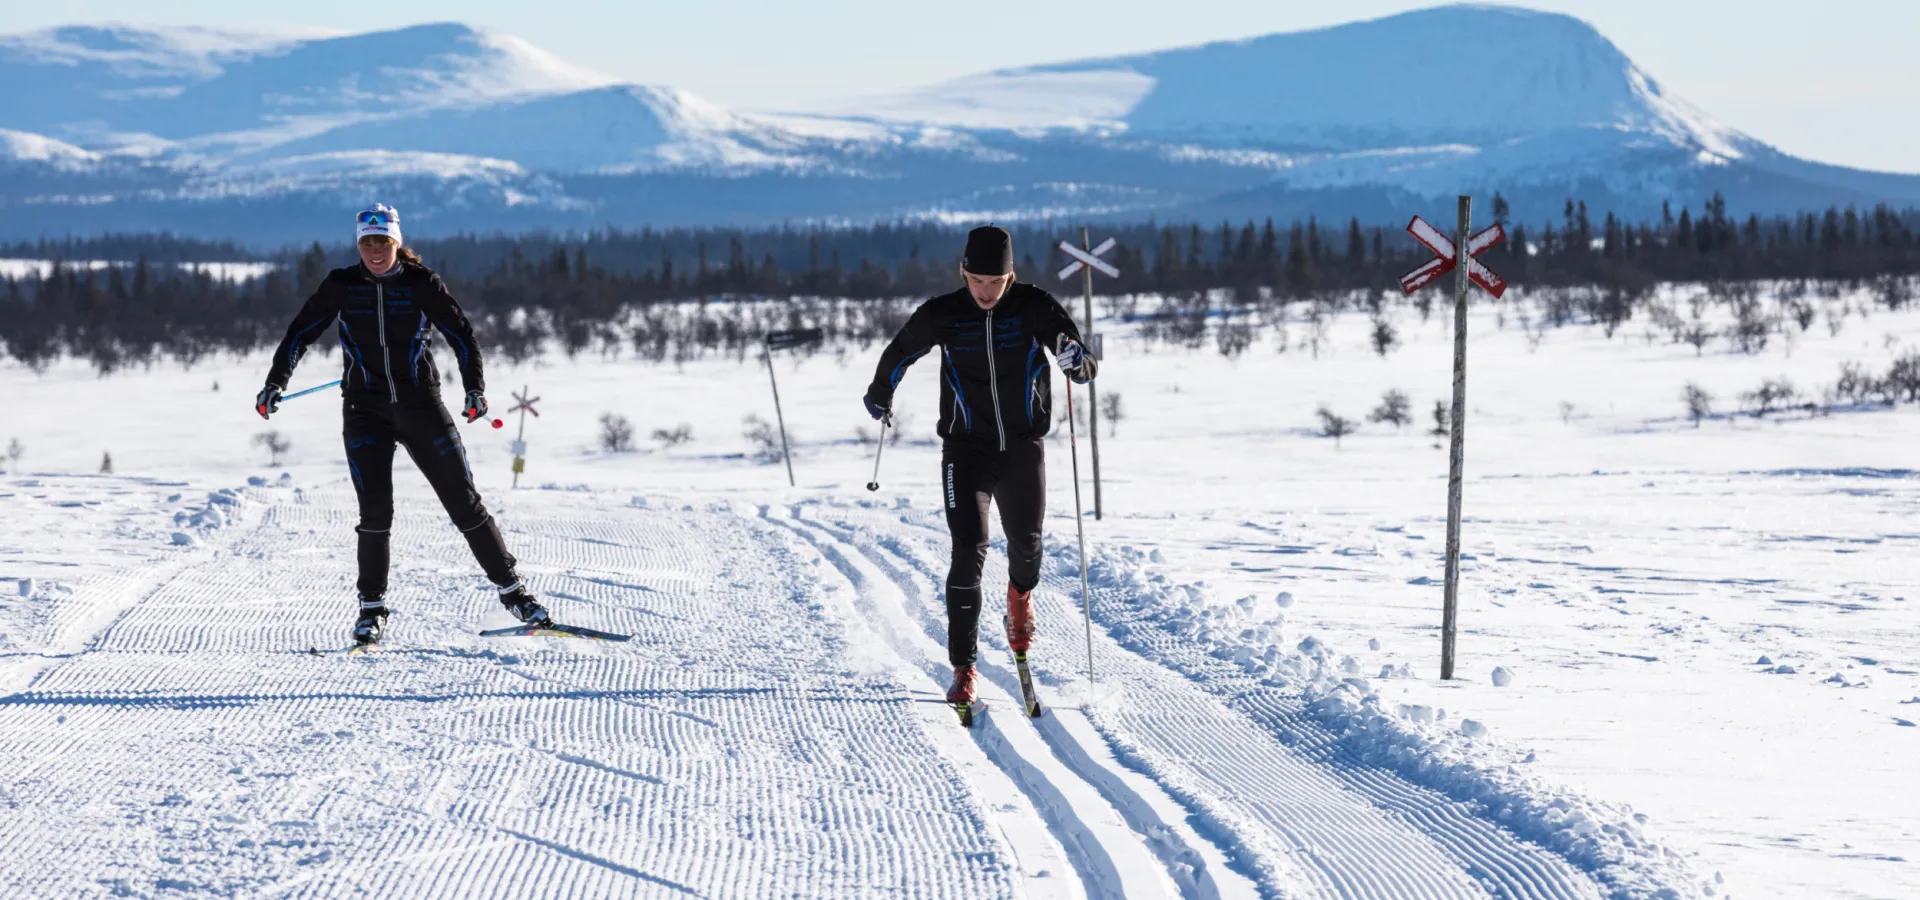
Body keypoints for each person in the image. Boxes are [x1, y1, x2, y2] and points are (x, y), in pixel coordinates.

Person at [255, 203, 549, 646]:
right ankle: (371, 611)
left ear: (396, 242)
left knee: (463, 503)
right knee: (375, 515)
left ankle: (515, 594)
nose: (375, 250)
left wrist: (474, 389)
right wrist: (275, 383)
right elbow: (300, 332)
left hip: (421, 406)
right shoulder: (341, 285)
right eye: (367, 242)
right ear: (359, 244)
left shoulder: (420, 283)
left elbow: (462, 334)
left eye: (383, 241)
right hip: (364, 410)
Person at [862, 225, 1097, 711]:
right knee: (968, 545)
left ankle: (1019, 600)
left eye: (996, 282)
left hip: (1022, 449)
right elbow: (900, 350)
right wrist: (880, 391)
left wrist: (1078, 363)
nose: (986, 292)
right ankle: (963, 670)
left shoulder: (1033, 306)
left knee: (1027, 545)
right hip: (965, 451)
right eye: (977, 281)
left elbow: (1080, 360)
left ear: (1011, 276)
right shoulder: (944, 313)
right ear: (963, 273)